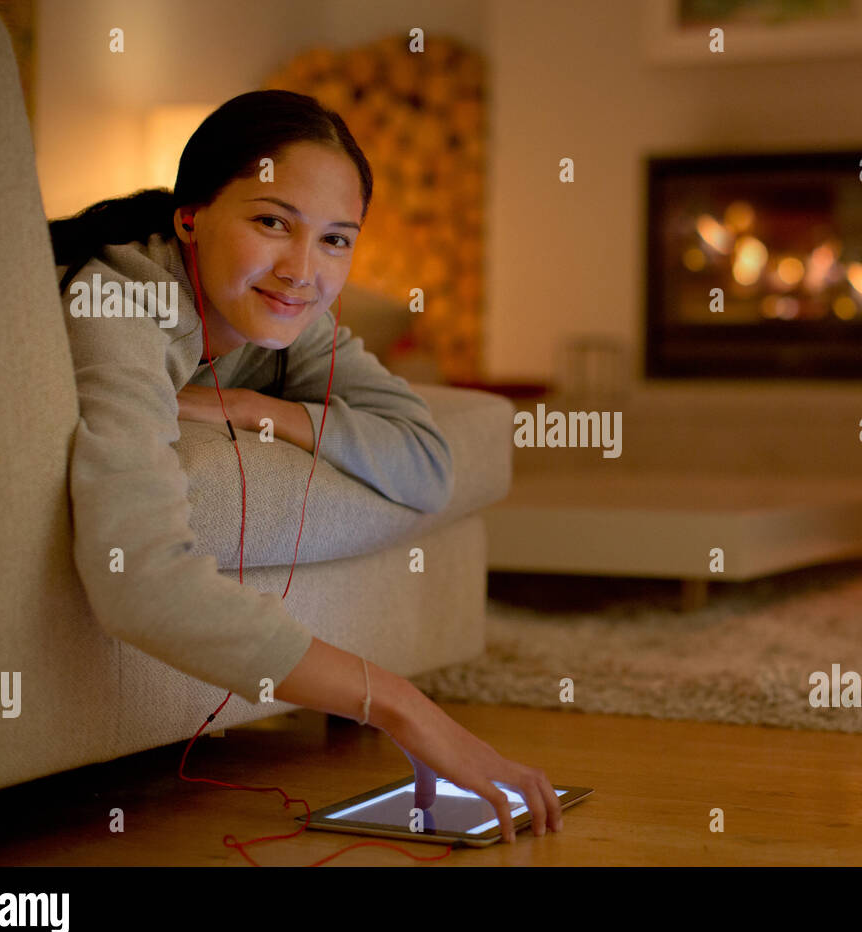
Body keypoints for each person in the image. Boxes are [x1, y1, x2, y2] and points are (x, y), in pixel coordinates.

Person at [50, 89, 561, 843]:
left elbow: (427, 463)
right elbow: (139, 578)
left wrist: (264, 412)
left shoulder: (296, 330)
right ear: (190, 214)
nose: (302, 271)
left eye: (335, 240)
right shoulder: (122, 301)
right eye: (271, 222)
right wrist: (398, 704)